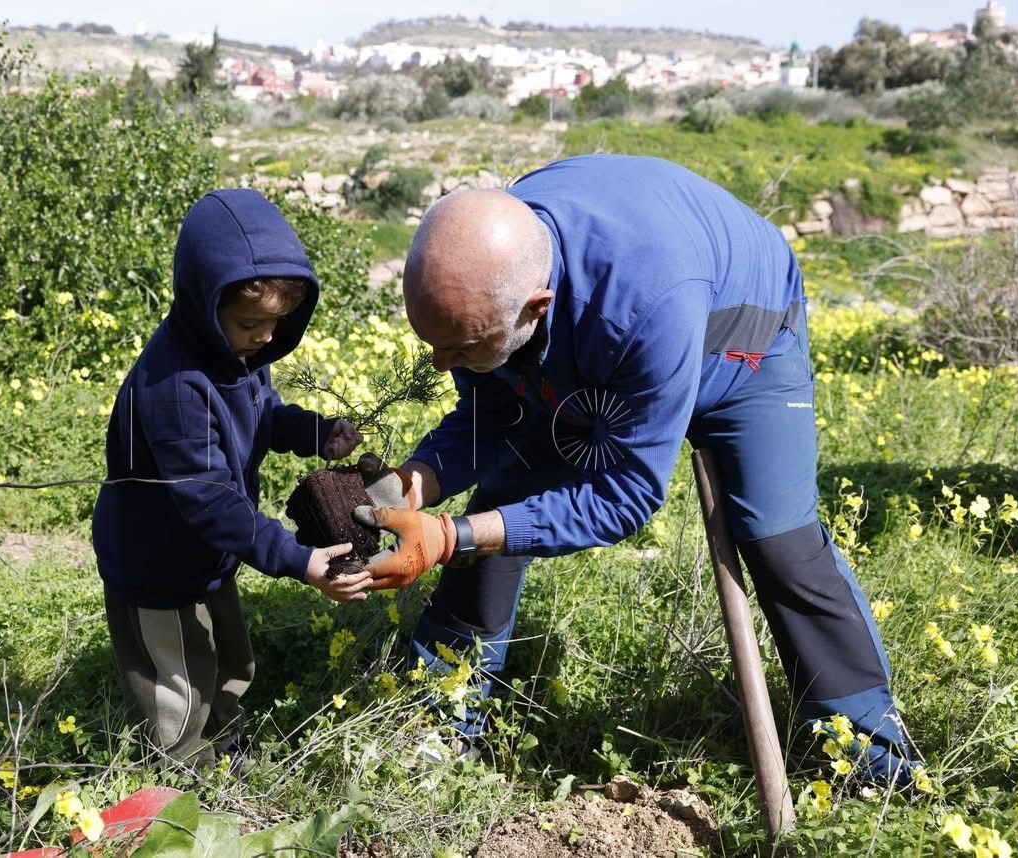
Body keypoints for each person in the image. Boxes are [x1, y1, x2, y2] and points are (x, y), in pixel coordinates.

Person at [354, 155, 917, 784]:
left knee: (777, 539)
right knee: (504, 500)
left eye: (458, 348)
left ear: (535, 306)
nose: (439, 364)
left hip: (743, 340)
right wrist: (417, 481)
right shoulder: (487, 277)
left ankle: (871, 760)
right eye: (434, 343)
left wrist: (448, 535)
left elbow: (625, 494)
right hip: (607, 325)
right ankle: (441, 721)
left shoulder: (644, 304)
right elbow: (494, 414)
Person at [93, 189, 370, 766]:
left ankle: (224, 745)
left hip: (212, 551)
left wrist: (315, 432)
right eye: (250, 323)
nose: (265, 337)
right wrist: (296, 558)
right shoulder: (174, 386)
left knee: (228, 659)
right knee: (176, 677)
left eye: (276, 323)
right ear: (204, 301)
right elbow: (210, 500)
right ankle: (181, 769)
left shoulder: (239, 355)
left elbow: (262, 413)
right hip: (157, 560)